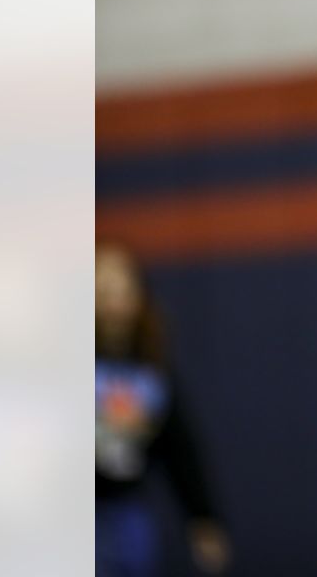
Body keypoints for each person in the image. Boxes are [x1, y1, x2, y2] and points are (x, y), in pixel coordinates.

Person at [95, 242, 232, 577]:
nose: (114, 304)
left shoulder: (151, 374)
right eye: (103, 291)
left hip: (128, 512)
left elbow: (180, 448)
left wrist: (203, 517)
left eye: (123, 291)